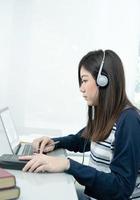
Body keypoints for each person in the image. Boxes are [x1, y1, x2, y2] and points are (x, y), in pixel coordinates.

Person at [19, 50, 140, 200]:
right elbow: (82, 139)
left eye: (84, 80)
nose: (81, 88)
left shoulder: (129, 121)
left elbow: (121, 187)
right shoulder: (107, 116)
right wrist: (54, 142)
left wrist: (68, 164)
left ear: (103, 80)